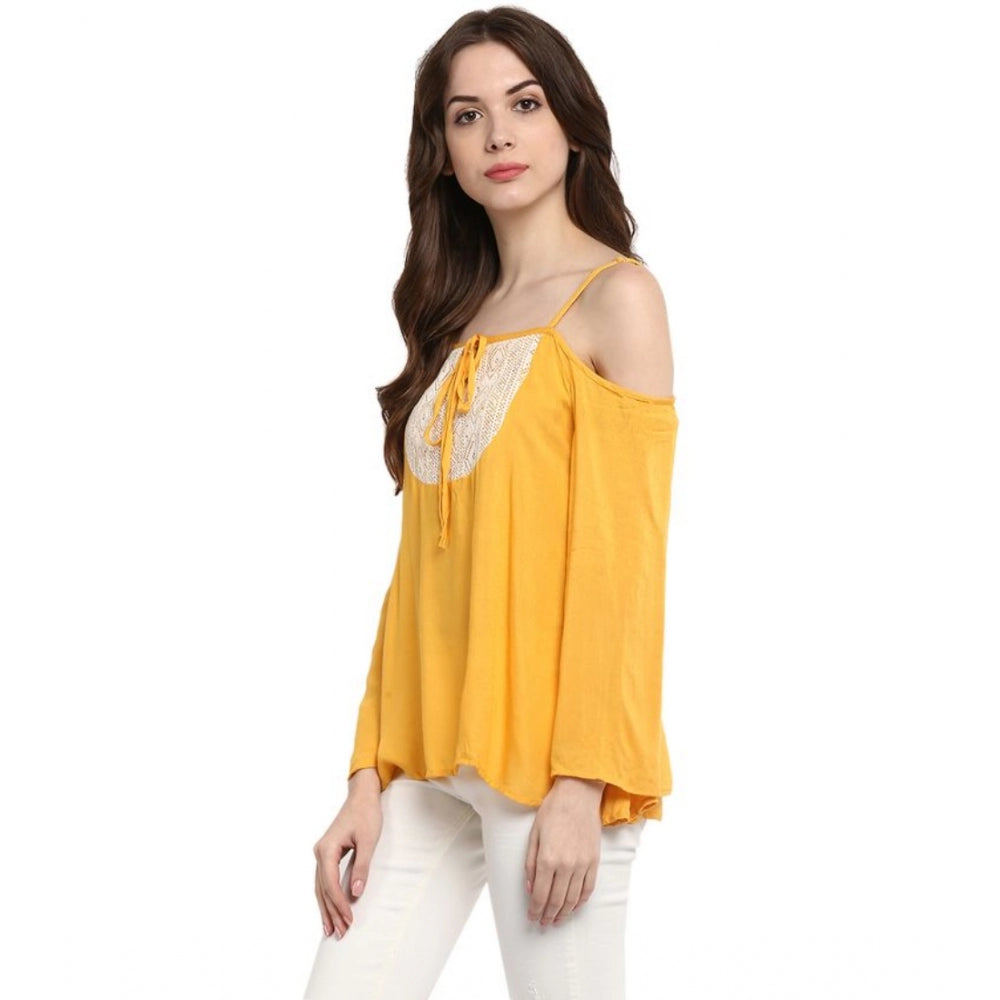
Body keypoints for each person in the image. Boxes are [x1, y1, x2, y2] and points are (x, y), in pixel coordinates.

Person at [303, 7, 678, 998]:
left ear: (571, 122)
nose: (498, 135)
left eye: (524, 104)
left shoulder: (618, 299)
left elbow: (624, 565)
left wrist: (582, 783)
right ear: (444, 149)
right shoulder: (453, 317)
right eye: (466, 116)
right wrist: (366, 776)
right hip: (426, 761)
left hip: (553, 768)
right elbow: (420, 572)